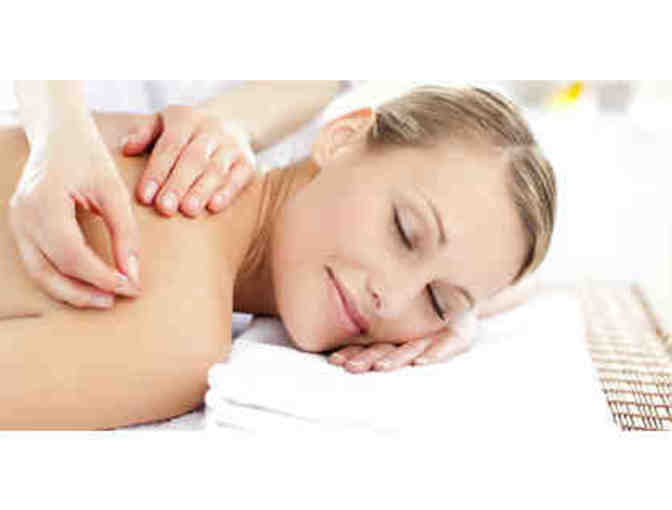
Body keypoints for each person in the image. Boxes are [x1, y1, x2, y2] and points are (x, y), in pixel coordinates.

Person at [0, 84, 555, 429]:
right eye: (405, 232)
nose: (392, 298)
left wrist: (462, 317)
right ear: (341, 139)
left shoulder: (136, 146)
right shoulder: (179, 337)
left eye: (437, 300)